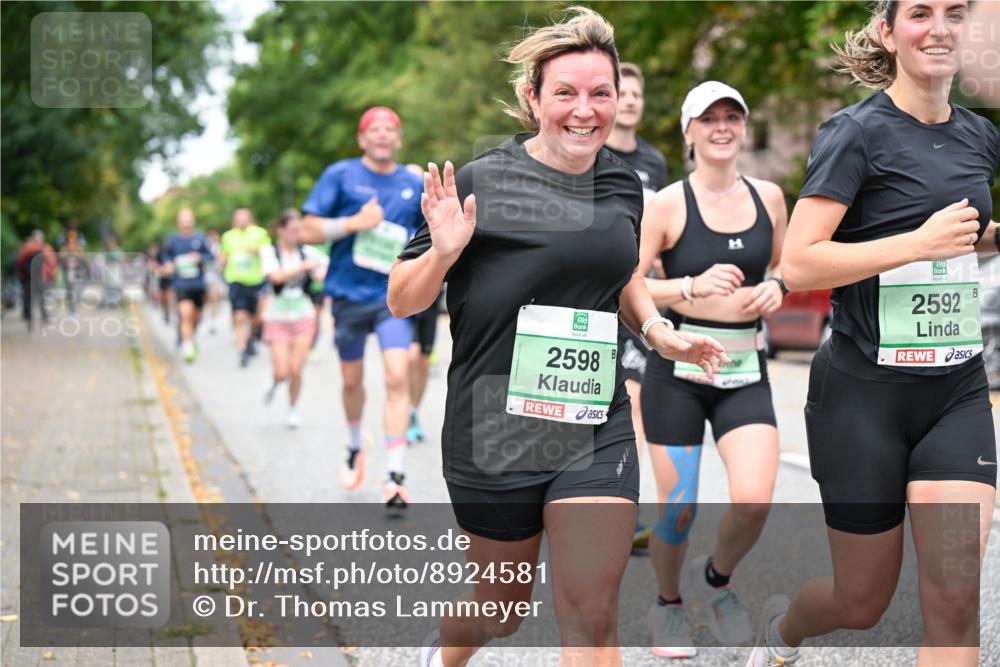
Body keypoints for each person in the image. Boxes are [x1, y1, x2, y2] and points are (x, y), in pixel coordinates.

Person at [387, 8, 728, 666]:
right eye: (566, 92)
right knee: (501, 610)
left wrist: (657, 330)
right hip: (494, 429)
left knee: (592, 611)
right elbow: (403, 298)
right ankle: (442, 653)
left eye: (600, 93)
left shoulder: (622, 183)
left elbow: (621, 273)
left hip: (592, 424)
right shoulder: (482, 181)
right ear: (533, 98)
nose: (584, 110)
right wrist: (442, 253)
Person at [748, 2, 998, 666]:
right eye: (920, 13)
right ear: (888, 32)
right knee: (860, 601)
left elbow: (962, 236)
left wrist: (989, 238)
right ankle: (782, 630)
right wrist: (916, 243)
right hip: (863, 396)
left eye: (955, 13)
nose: (940, 28)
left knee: (954, 596)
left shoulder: (979, 134)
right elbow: (800, 261)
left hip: (955, 394)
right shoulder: (854, 133)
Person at [636, 81, 788, 658]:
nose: (721, 127)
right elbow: (628, 283)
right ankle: (667, 603)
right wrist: (689, 286)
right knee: (678, 510)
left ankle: (715, 580)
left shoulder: (770, 197)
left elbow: (788, 263)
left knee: (754, 500)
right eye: (708, 119)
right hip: (678, 372)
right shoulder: (667, 204)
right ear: (689, 132)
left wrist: (779, 285)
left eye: (732, 117)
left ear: (743, 126)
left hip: (743, 368)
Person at [300, 106, 425, 508]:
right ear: (362, 138)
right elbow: (307, 229)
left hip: (392, 298)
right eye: (375, 129)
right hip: (348, 297)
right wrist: (352, 224)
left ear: (399, 138)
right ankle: (355, 441)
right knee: (352, 381)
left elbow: (429, 232)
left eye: (391, 129)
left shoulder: (412, 183)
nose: (383, 135)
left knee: (396, 376)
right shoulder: (341, 175)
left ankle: (395, 475)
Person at [604, 61, 670, 550]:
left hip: (636, 293)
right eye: (622, 93)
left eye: (636, 94)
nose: (630, 101)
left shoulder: (654, 162)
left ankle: (624, 510)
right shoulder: (592, 151)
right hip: (593, 291)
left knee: (636, 403)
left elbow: (658, 227)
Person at [261, 209, 329, 429]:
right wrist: (303, 267)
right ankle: (275, 382)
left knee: (296, 369)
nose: (296, 235)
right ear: (280, 230)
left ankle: (293, 408)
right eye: (292, 230)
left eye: (299, 230)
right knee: (282, 371)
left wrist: (320, 273)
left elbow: (326, 264)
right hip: (277, 317)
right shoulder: (269, 252)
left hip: (303, 316)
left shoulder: (307, 252)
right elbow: (275, 277)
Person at [160, 207, 213, 362]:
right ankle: (188, 346)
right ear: (178, 222)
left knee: (196, 317)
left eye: (189, 220)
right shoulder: (172, 240)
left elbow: (211, 256)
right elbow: (165, 256)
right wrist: (168, 263)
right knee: (185, 314)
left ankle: (189, 337)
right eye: (183, 220)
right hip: (181, 284)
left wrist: (200, 257)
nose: (186, 223)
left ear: (193, 221)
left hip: (198, 284)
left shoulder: (201, 238)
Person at [219, 207, 270, 366]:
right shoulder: (228, 236)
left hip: (256, 281)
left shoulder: (260, 233)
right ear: (234, 220)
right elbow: (223, 255)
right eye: (238, 219)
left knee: (257, 318)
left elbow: (268, 254)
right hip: (236, 281)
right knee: (239, 317)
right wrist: (222, 260)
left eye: (244, 218)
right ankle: (241, 351)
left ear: (250, 219)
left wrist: (257, 251)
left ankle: (251, 340)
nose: (241, 221)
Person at [15, 230, 57, 331]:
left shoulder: (26, 247)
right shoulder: (47, 248)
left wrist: (21, 275)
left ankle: (30, 320)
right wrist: (52, 277)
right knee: (43, 298)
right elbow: (52, 264)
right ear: (42, 238)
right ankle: (45, 318)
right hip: (43, 278)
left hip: (28, 277)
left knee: (28, 299)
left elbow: (20, 262)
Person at [204, 228, 225, 335]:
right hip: (206, 277)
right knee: (210, 300)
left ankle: (213, 321)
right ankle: (211, 320)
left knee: (215, 298)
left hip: (217, 277)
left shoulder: (220, 248)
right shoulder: (205, 248)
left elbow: (223, 261)